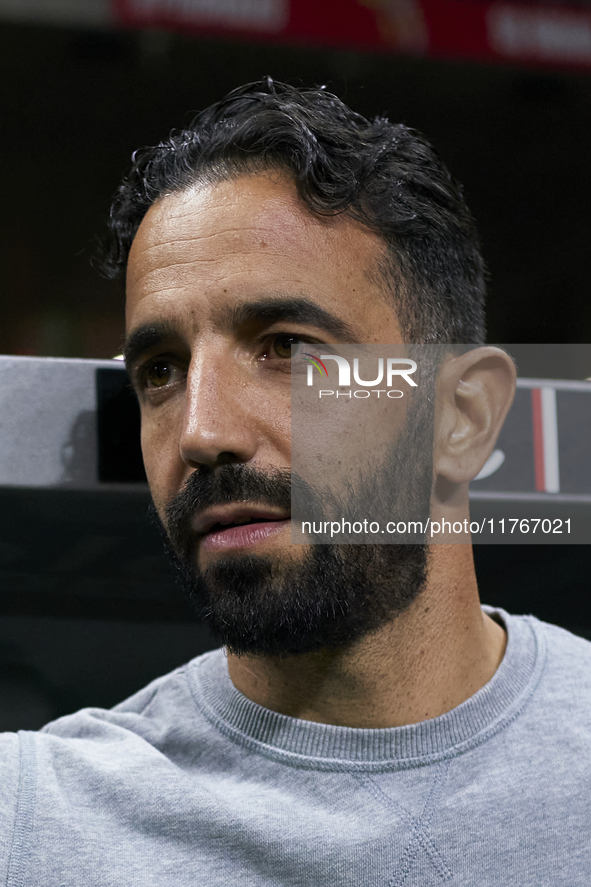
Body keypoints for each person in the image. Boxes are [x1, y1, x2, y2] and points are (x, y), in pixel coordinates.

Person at [1, 78, 590, 885]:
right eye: (161, 370)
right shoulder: (37, 822)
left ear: (461, 417)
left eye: (283, 346)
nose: (203, 431)